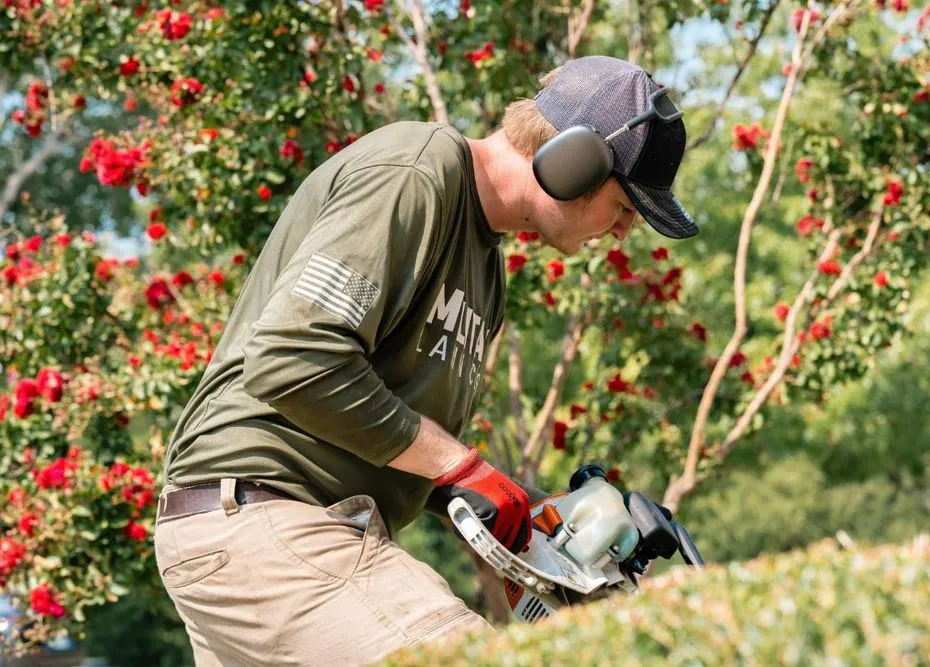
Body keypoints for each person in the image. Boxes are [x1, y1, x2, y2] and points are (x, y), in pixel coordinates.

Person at [153, 54, 698, 666]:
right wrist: (461, 468)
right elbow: (292, 358)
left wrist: (534, 521)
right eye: (626, 206)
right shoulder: (418, 170)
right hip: (269, 518)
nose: (624, 232)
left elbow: (418, 452)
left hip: (276, 536)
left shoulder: (486, 274)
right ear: (572, 164)